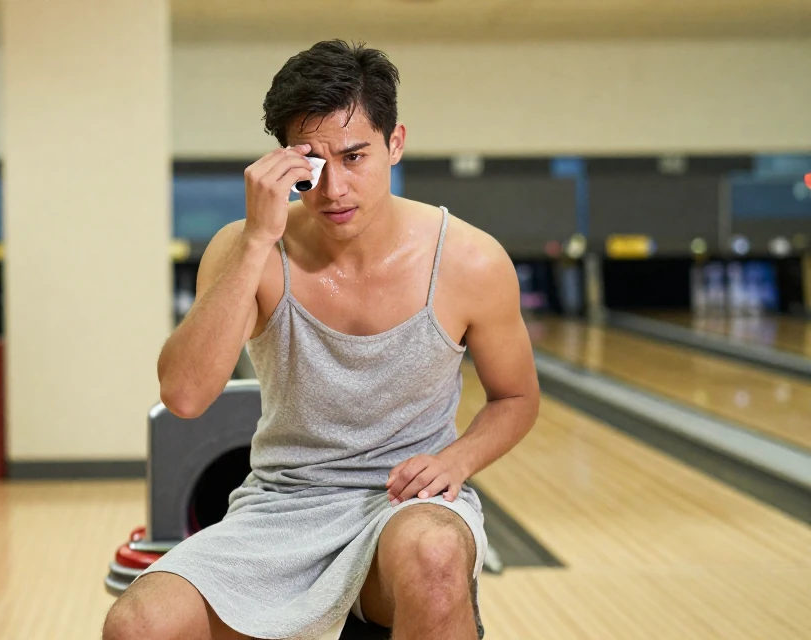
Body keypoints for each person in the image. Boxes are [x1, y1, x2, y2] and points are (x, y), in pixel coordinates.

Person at [104, 40, 539, 640]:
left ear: (395, 143)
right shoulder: (247, 249)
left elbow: (516, 398)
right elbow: (183, 396)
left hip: (406, 505)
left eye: (355, 156)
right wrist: (257, 240)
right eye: (311, 162)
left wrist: (456, 461)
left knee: (434, 558)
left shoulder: (470, 260)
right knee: (137, 625)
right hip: (282, 503)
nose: (333, 188)